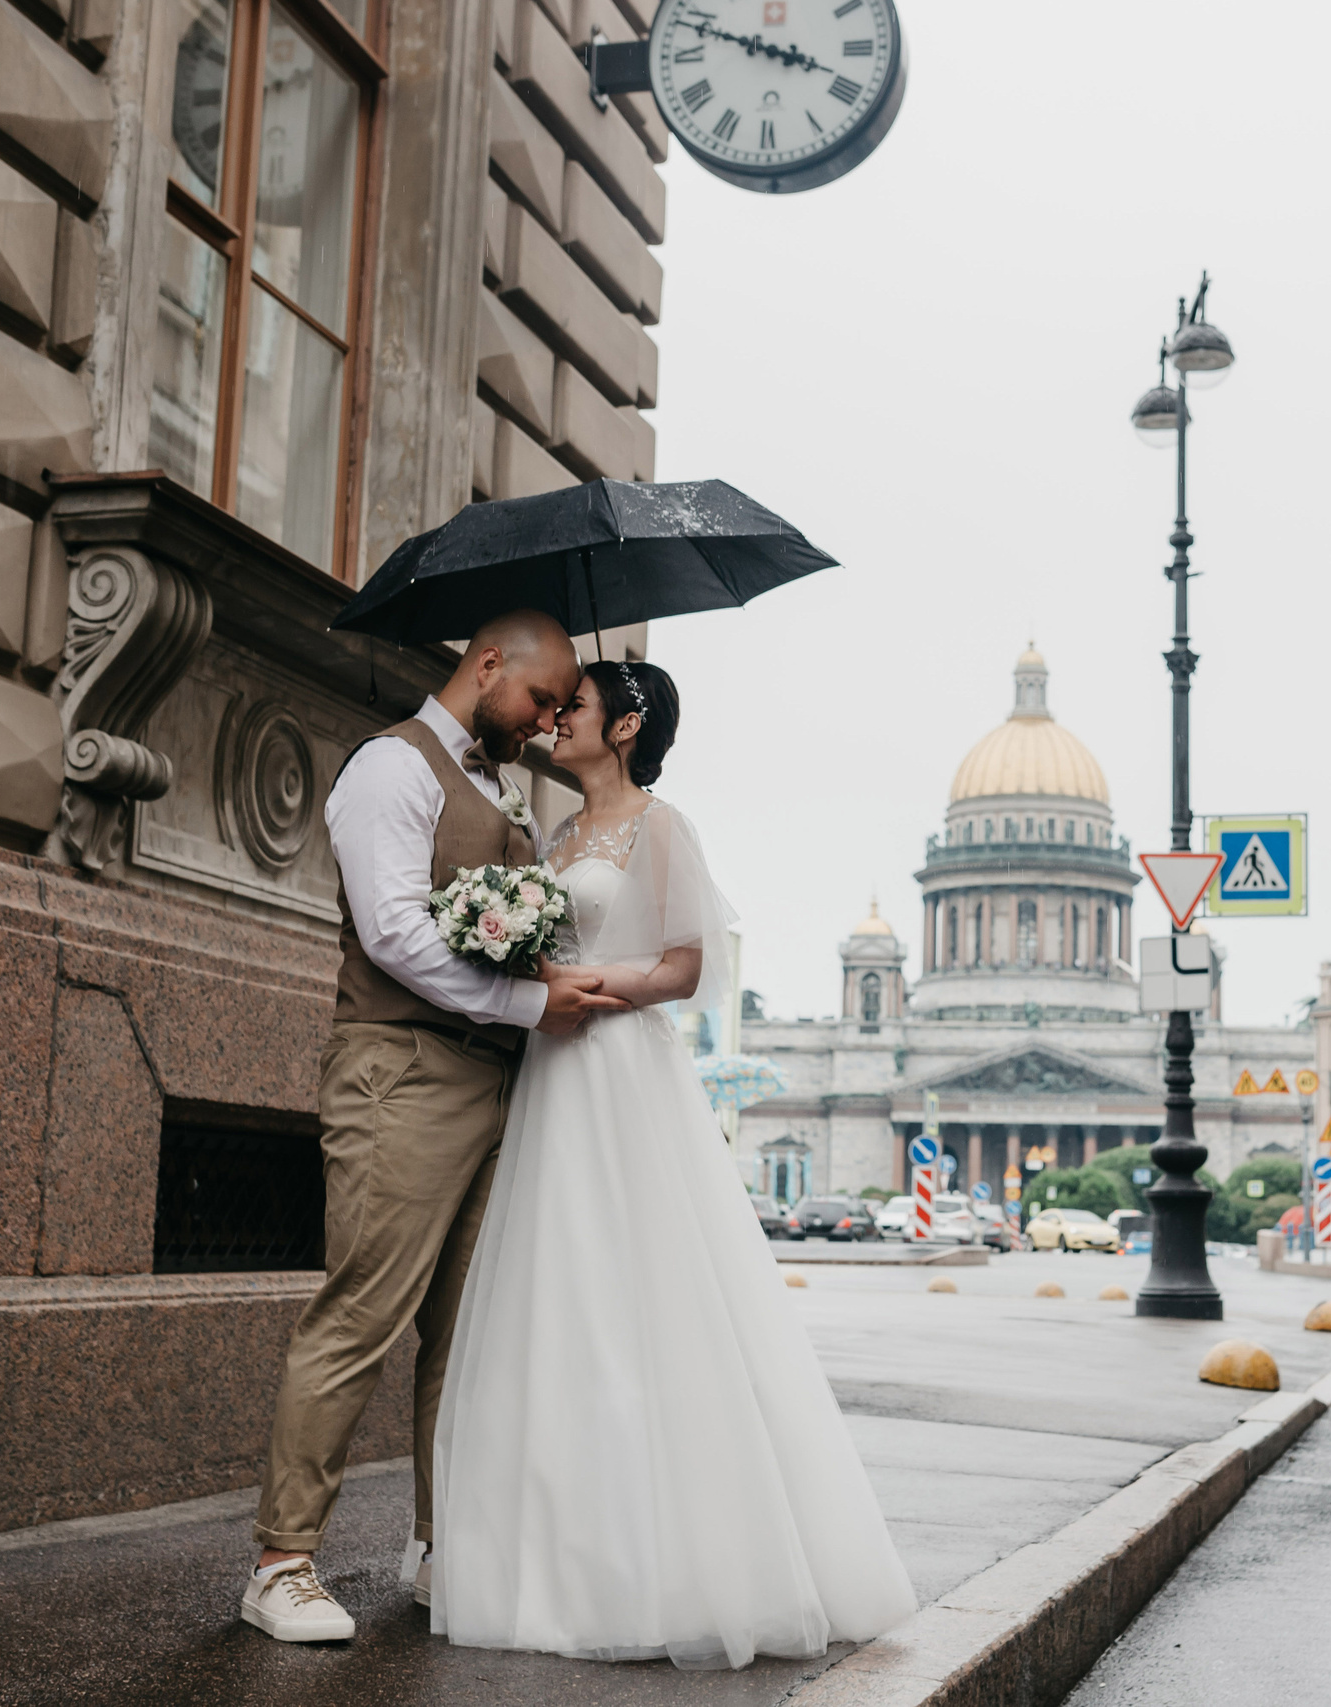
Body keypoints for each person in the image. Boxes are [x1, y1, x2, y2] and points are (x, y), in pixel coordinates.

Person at [429, 659, 916, 1668]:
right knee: (549, 1297)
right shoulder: (555, 836)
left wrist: (582, 980)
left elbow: (687, 968)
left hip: (617, 1071)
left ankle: (658, 1566)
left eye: (575, 708)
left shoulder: (660, 827)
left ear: (626, 726)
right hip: (552, 1072)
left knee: (634, 1298)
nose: (555, 720)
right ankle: (547, 1558)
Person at [241, 611, 629, 1642]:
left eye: (561, 711)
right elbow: (394, 930)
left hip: (493, 1083)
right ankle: (282, 1563)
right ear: (487, 665)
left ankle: (438, 1547)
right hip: (400, 1075)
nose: (547, 722)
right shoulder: (391, 768)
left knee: (466, 1340)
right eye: (541, 701)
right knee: (361, 1315)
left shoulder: (494, 780)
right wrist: (528, 1004)